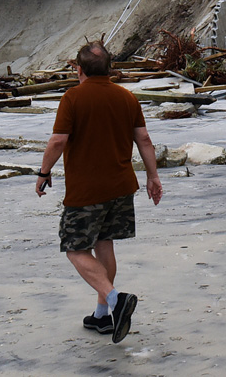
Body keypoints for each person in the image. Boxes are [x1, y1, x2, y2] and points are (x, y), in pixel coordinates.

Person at [35, 40, 162, 344]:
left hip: (86, 191)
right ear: (109, 69)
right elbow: (143, 138)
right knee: (105, 244)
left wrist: (43, 172)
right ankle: (103, 315)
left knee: (75, 248)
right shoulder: (126, 97)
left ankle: (116, 300)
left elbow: (57, 141)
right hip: (121, 188)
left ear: (77, 69)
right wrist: (153, 177)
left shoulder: (73, 98)